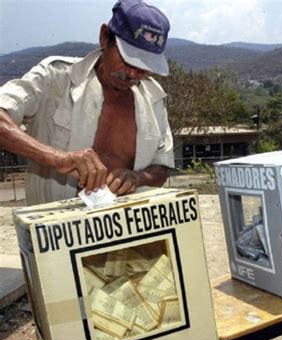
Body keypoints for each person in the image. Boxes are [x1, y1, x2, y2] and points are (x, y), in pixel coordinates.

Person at [0, 0, 174, 205]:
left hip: (124, 229)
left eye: (144, 67)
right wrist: (56, 158)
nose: (133, 73)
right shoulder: (55, 77)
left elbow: (162, 167)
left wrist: (138, 178)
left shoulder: (154, 99)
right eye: (128, 60)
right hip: (54, 229)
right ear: (104, 37)